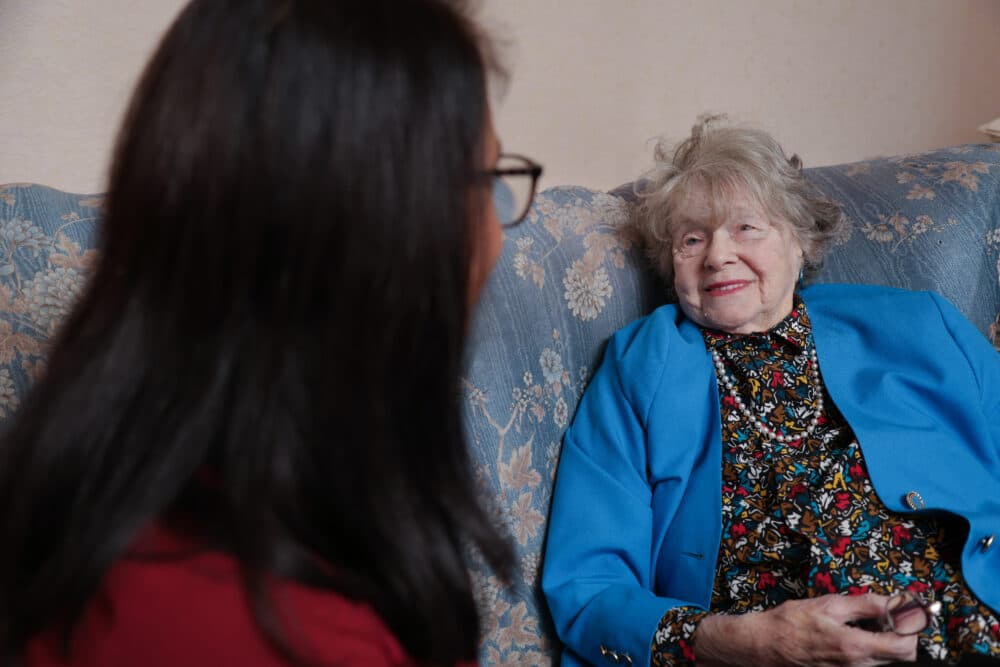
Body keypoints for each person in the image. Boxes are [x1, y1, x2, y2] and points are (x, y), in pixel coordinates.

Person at [0, 1, 544, 665]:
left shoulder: (159, 505)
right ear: (387, 245)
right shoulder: (277, 633)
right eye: (487, 184)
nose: (498, 234)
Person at [542, 116, 1000, 667]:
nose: (717, 255)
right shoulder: (638, 368)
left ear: (799, 242)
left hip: (971, 620)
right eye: (693, 238)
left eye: (745, 228)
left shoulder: (919, 328)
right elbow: (588, 586)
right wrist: (744, 643)